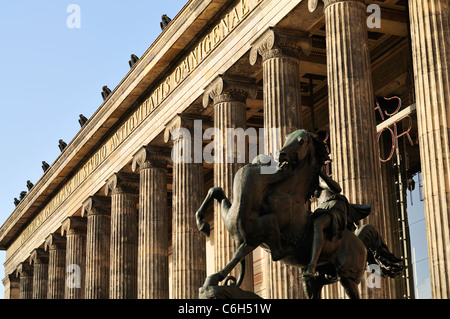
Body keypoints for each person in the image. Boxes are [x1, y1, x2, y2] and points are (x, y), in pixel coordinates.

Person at [304, 171, 371, 277]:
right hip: (321, 209)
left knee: (318, 225)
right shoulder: (306, 180)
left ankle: (312, 264)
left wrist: (320, 176)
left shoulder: (320, 179)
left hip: (334, 206)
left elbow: (337, 188)